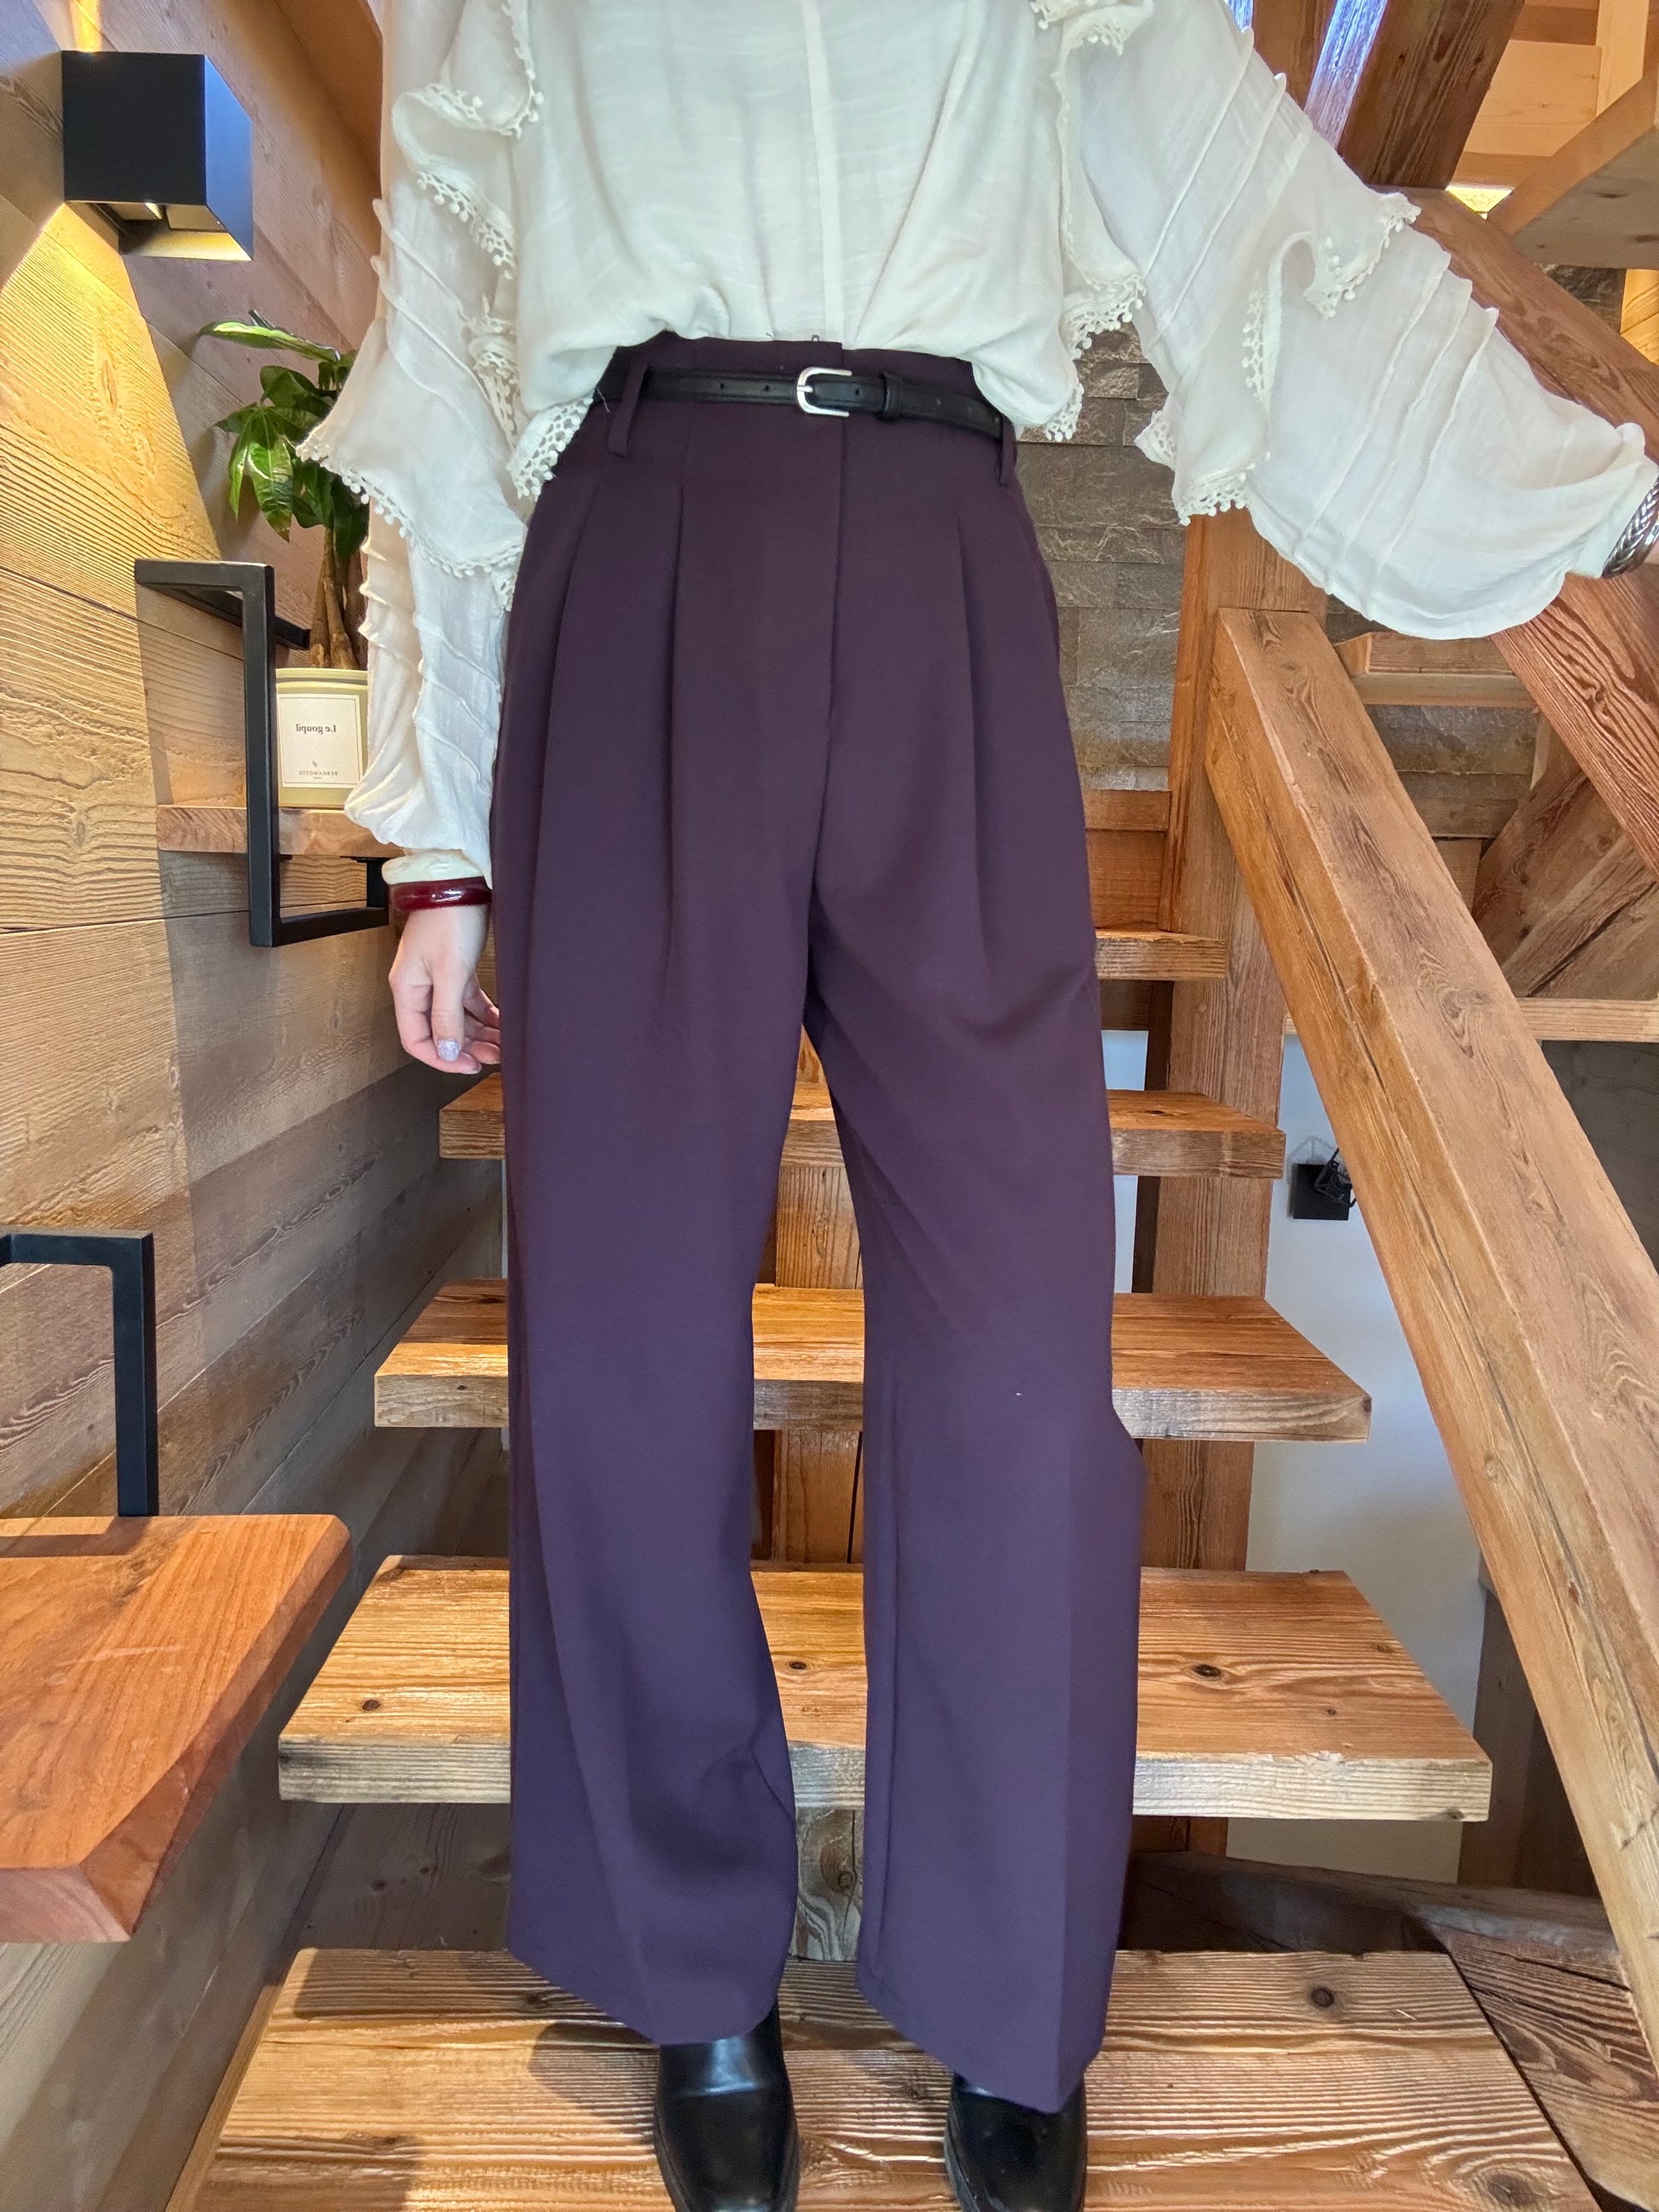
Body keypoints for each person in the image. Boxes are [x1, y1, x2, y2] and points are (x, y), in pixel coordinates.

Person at [302, 4, 1658, 2209]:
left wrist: (1590, 489)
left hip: (945, 549)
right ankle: (694, 1974)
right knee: (621, 1342)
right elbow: (448, 348)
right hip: (633, 548)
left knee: (1023, 1352)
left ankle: (1011, 1993)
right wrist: (438, 845)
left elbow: (1253, 217)